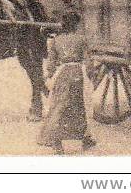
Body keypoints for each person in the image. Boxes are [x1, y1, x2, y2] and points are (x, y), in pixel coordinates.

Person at [37, 11, 95, 154]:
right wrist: (90, 75)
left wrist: (49, 77)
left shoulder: (56, 40)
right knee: (79, 106)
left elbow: (51, 64)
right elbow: (88, 62)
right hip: (77, 74)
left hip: (62, 75)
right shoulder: (82, 39)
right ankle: (84, 138)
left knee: (59, 106)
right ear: (76, 25)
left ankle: (57, 142)